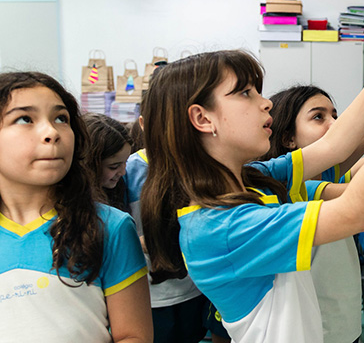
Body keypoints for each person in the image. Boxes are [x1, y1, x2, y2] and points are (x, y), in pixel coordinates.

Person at [141, 26, 364, 342]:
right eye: (245, 93)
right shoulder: (219, 227)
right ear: (203, 119)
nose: (265, 103)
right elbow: (357, 211)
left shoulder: (254, 180)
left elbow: (334, 146)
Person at [0, 71, 152, 342]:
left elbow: (134, 335)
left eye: (61, 118)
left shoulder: (109, 228)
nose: (51, 132)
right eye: (25, 118)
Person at [262, 82, 364, 343]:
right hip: (324, 334)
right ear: (289, 138)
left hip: (341, 326)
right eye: (318, 117)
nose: (335, 124)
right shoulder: (302, 191)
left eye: (334, 114)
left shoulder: (325, 176)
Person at [125, 110, 231, 343]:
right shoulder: (128, 170)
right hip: (150, 295)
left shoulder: (198, 166)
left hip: (193, 288)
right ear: (143, 123)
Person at [82, 112, 133, 212]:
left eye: (125, 162)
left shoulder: (120, 190)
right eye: (113, 167)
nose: (123, 172)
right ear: (89, 163)